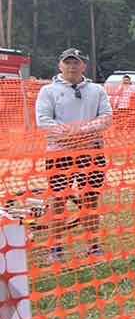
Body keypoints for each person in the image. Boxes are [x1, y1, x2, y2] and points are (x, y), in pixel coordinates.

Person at [35, 48, 112, 264]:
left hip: (91, 152)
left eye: (76, 62)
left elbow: (106, 117)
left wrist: (81, 131)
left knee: (90, 199)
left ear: (83, 66)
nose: (72, 66)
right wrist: (68, 134)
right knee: (58, 199)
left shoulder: (97, 90)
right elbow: (43, 121)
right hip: (59, 153)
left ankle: (93, 247)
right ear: (60, 65)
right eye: (67, 62)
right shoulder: (48, 91)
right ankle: (56, 248)